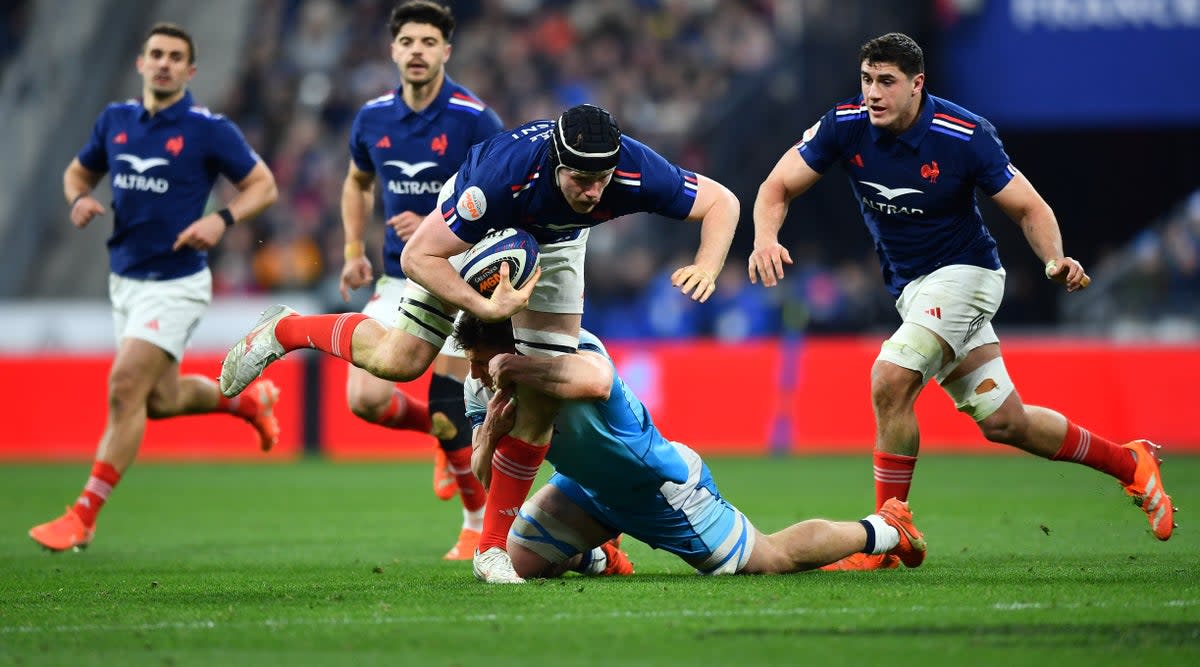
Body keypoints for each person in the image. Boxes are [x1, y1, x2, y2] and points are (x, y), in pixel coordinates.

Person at [219, 103, 740, 578]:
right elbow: (416, 257)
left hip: (556, 248)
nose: (594, 193)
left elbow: (722, 202)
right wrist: (486, 308)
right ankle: (285, 328)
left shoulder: (632, 170)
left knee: (542, 396)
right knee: (399, 360)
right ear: (557, 164)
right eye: (582, 181)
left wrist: (706, 265)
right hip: (472, 239)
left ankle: (491, 550)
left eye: (602, 180)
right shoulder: (497, 182)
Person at [748, 32, 1176, 570]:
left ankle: (888, 529)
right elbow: (775, 187)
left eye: (886, 82)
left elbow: (1029, 207)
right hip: (913, 291)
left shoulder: (963, 133)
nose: (873, 94)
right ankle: (1130, 462)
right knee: (1006, 422)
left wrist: (1054, 259)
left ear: (916, 85)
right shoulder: (845, 125)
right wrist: (766, 238)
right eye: (866, 80)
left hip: (968, 275)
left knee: (890, 377)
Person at [29, 23, 280, 552]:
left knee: (124, 389)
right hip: (124, 280)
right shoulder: (116, 121)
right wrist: (78, 199)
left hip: (177, 283)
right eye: (156, 54)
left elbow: (264, 185)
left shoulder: (208, 129)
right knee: (160, 400)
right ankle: (248, 403)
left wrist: (223, 220)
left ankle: (83, 514)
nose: (164, 63)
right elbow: (77, 173)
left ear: (190, 71)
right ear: (141, 63)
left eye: (175, 57)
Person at [454, 313, 926, 583]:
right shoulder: (480, 388)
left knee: (768, 560)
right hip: (584, 487)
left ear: (512, 349)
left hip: (659, 486)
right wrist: (491, 436)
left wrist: (515, 370)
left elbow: (598, 381)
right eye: (472, 363)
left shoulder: (565, 349)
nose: (477, 375)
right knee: (517, 564)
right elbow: (490, 479)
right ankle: (601, 555)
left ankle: (885, 529)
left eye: (483, 362)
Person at [339, 0, 503, 560]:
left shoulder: (474, 118)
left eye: (428, 42)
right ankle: (444, 435)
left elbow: (504, 197)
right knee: (364, 398)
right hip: (394, 276)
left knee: (447, 401)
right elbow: (358, 182)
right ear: (393, 49)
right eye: (407, 41)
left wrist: (439, 220)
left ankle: (474, 523)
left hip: (461, 274)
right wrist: (352, 249)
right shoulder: (372, 119)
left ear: (446, 52)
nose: (417, 51)